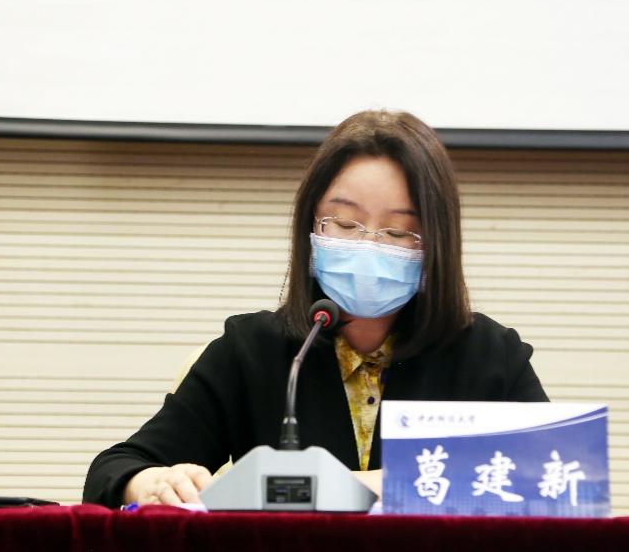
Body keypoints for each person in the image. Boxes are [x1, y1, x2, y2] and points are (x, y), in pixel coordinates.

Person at [82, 110, 548, 508]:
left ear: (436, 247)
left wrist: (372, 487)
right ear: (311, 227)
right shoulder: (253, 350)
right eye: (343, 223)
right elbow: (115, 469)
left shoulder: (489, 355)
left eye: (397, 232)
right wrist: (150, 482)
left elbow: (555, 477)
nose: (367, 245)